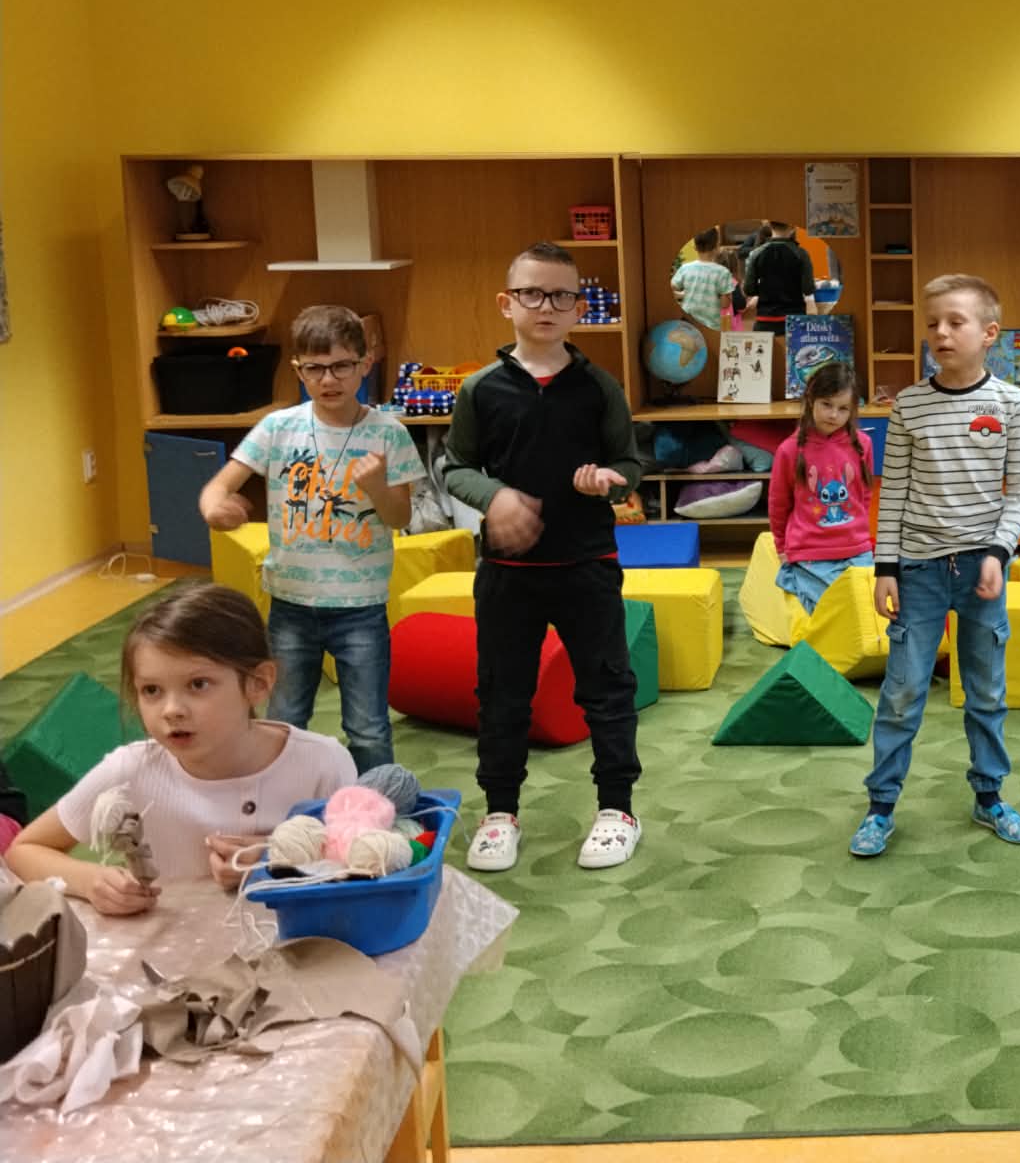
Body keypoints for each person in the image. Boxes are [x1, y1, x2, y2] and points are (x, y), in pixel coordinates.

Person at [445, 242, 645, 873]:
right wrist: (495, 496)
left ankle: (617, 810)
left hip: (587, 564)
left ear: (579, 308)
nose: (547, 306)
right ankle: (500, 812)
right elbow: (455, 467)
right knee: (502, 694)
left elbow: (631, 462)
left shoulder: (600, 387)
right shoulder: (480, 389)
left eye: (562, 295)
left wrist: (609, 480)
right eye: (532, 293)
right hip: (508, 574)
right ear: (507, 304)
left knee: (607, 690)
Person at [3, 585, 355, 913]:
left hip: (305, 946)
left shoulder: (322, 763)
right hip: (175, 953)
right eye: (151, 690)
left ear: (258, 683)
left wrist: (276, 861)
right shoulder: (132, 769)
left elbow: (366, 867)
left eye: (198, 684)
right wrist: (90, 881)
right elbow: (24, 850)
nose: (171, 710)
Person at [852, 273, 1020, 857]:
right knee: (902, 692)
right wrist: (885, 567)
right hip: (919, 570)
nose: (941, 333)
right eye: (932, 323)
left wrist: (999, 553)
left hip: (983, 569)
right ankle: (881, 807)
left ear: (989, 333)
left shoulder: (1011, 404)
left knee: (986, 691)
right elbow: (894, 492)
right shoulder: (908, 405)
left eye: (956, 322)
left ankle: (990, 796)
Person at [197, 304, 422, 773]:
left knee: (368, 727)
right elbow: (219, 486)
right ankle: (280, 799)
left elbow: (399, 516)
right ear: (299, 370)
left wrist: (377, 487)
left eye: (341, 366)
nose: (328, 379)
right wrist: (214, 508)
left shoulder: (389, 434)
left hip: (360, 606)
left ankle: (378, 807)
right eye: (315, 369)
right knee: (283, 719)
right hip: (291, 604)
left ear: (365, 363)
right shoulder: (278, 428)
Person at [768, 362, 875, 612]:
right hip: (810, 551)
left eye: (843, 408)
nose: (833, 415)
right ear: (811, 399)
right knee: (830, 610)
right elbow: (778, 503)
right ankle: (792, 576)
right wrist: (782, 548)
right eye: (827, 404)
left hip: (856, 549)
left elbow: (864, 495)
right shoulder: (789, 450)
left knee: (868, 607)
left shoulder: (864, 444)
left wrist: (860, 535)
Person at [744, 220, 817, 330]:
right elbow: (808, 288)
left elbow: (749, 289)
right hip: (795, 320)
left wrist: (764, 287)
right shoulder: (801, 254)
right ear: (793, 227)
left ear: (769, 224)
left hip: (765, 319)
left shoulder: (755, 254)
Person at [670, 227, 737, 337]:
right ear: (716, 247)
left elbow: (671, 288)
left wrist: (682, 295)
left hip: (689, 323)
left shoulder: (685, 268)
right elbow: (725, 304)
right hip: (712, 326)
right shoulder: (722, 272)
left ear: (695, 247)